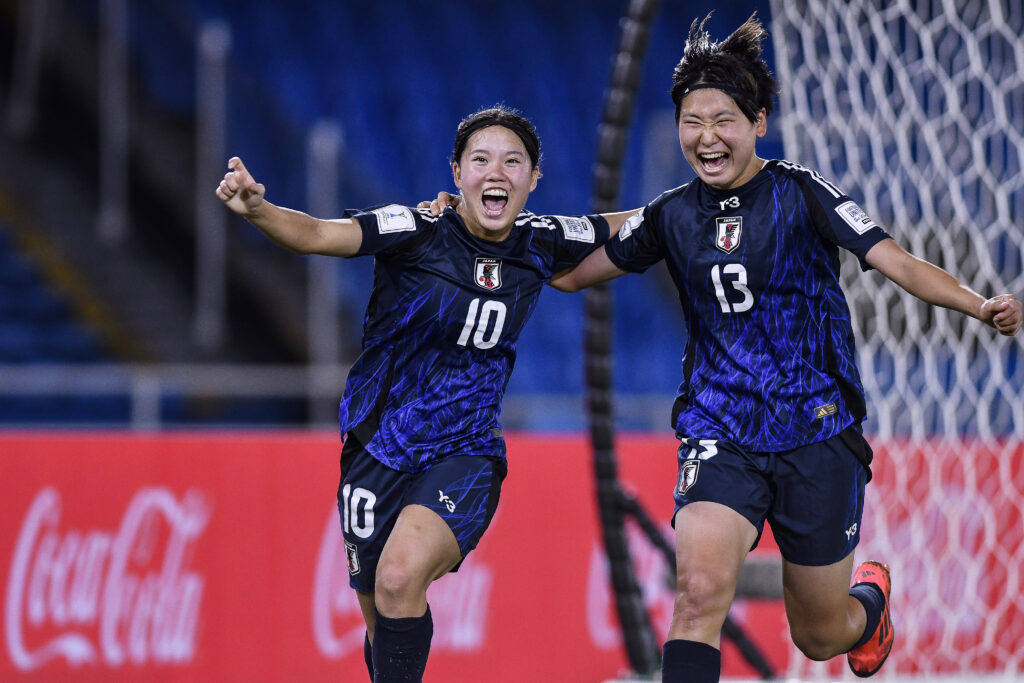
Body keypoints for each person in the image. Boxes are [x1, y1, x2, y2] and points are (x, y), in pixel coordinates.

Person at [423, 13, 1024, 682]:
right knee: (698, 593)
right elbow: (570, 271)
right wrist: (477, 226)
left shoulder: (801, 193)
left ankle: (869, 601)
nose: (706, 137)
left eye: (724, 119)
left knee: (823, 635)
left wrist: (978, 303)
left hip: (816, 430)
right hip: (720, 431)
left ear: (759, 121)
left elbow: (897, 261)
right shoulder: (673, 213)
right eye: (691, 121)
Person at [216, 105, 636, 682]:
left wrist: (695, 202)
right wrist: (258, 209)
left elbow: (631, 224)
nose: (497, 173)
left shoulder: (542, 241)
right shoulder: (414, 231)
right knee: (381, 622)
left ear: (534, 180)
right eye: (481, 159)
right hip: (374, 447)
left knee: (397, 578)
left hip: (465, 453)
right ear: (456, 172)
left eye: (513, 162)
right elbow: (316, 234)